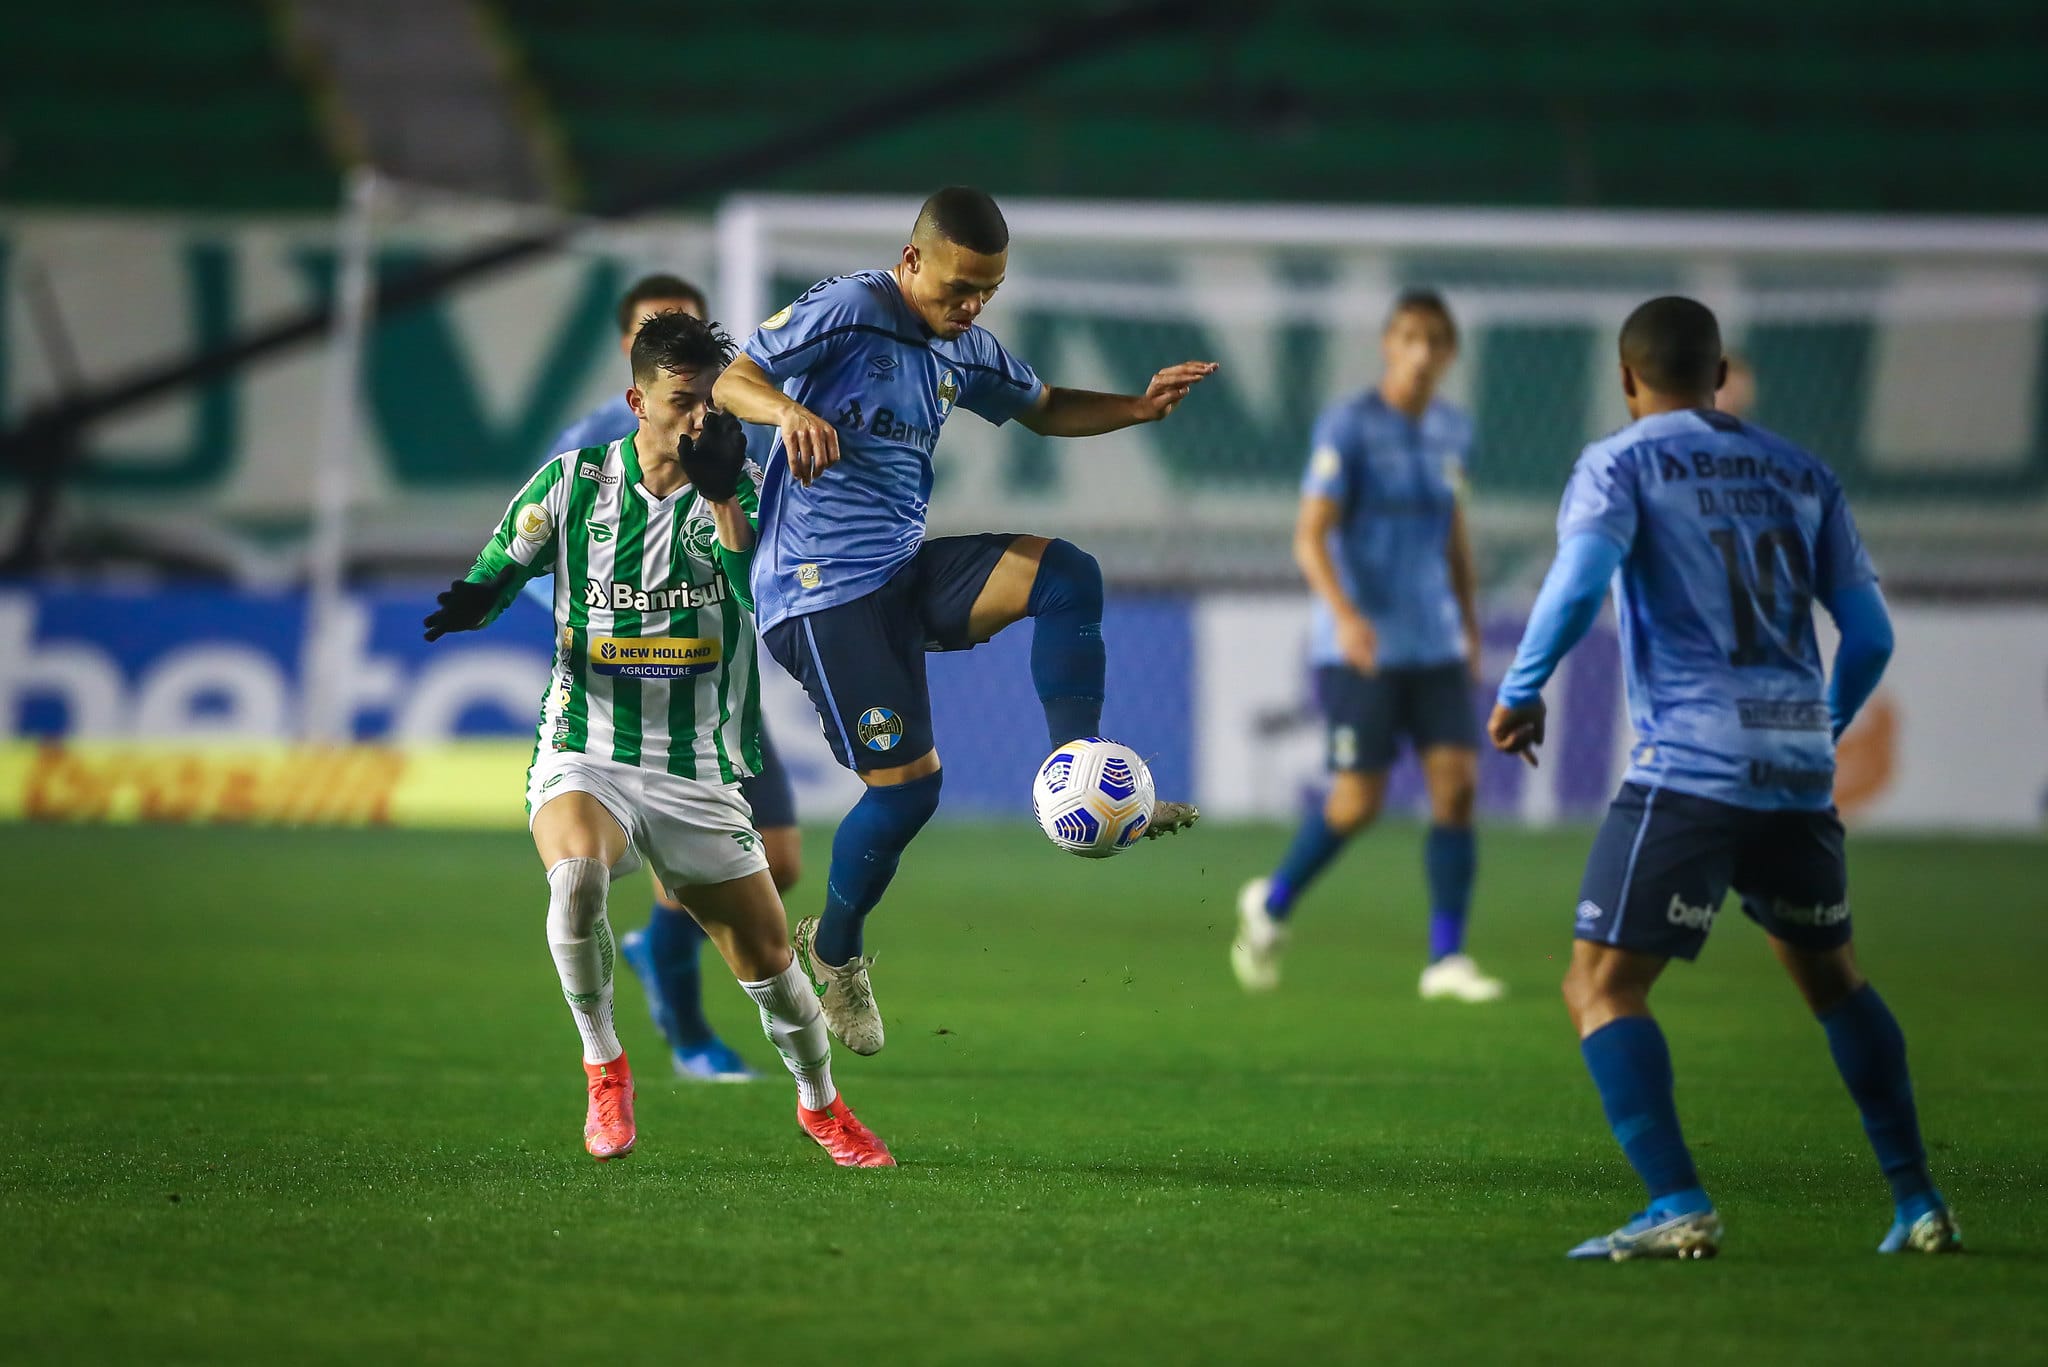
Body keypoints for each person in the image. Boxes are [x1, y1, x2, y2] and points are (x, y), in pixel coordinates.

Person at [1488, 295, 1957, 1259]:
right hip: (1794, 769)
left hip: (1693, 765)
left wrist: (1522, 687)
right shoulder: (1801, 471)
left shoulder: (1620, 462)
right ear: (1716, 375)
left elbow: (1579, 581)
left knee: (1600, 985)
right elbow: (1870, 636)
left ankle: (1676, 1201)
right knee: (1836, 982)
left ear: (1628, 380)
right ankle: (1918, 1202)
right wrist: (1815, 727)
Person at [712, 186, 1213, 1056]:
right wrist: (788, 409)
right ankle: (834, 952)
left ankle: (1077, 765)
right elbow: (732, 378)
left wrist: (1135, 406)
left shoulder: (964, 348)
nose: (970, 306)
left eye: (987, 291)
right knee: (911, 790)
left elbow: (1045, 405)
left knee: (1064, 576)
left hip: (903, 569)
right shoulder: (849, 309)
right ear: (911, 262)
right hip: (817, 590)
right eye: (956, 289)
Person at [424, 310, 891, 1167]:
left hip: (699, 771)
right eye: (684, 401)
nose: (703, 417)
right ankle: (605, 1065)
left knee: (774, 974)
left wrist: (723, 505)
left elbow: (771, 614)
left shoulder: (751, 493)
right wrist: (472, 601)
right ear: (637, 399)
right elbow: (498, 569)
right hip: (585, 748)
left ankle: (821, 1105)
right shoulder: (569, 485)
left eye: (713, 399)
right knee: (574, 880)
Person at [542, 273, 803, 1083]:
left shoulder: (731, 434)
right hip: (625, 711)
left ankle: (658, 952)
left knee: (783, 862)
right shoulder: (585, 448)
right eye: (655, 330)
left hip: (711, 699)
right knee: (670, 872)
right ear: (632, 354)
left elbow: (754, 555)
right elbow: (548, 555)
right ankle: (688, 1033)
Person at [1232, 290, 1501, 1003]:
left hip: (1435, 640)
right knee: (1357, 801)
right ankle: (1273, 901)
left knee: (1459, 788)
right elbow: (1310, 534)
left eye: (1435, 341)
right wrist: (1345, 616)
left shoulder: (1452, 430)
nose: (1421, 352)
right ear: (1388, 343)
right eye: (1409, 336)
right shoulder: (1348, 425)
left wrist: (1471, 625)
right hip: (1360, 645)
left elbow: (1454, 536)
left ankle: (1447, 957)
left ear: (1449, 354)